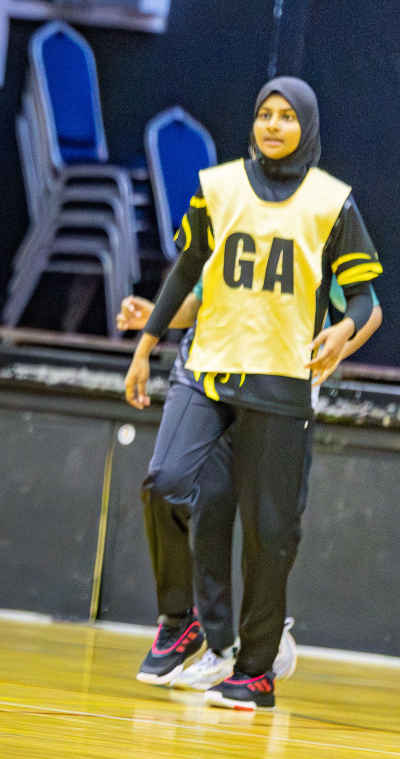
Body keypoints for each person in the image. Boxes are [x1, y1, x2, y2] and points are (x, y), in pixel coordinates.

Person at [123, 77, 381, 712]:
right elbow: (188, 270)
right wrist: (146, 341)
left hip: (281, 386)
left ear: (307, 128)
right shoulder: (220, 187)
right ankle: (183, 621)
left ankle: (256, 666)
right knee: (165, 483)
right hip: (208, 371)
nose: (272, 125)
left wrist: (342, 332)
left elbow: (367, 302)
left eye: (286, 117)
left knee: (270, 532)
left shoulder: (332, 203)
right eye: (264, 114)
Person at [117, 281, 379, 691]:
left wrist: (328, 356)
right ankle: (219, 648)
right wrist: (155, 315)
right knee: (208, 509)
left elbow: (369, 310)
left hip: (280, 395)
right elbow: (199, 300)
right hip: (219, 382)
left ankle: (264, 645)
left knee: (270, 527)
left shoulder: (324, 220)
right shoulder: (232, 218)